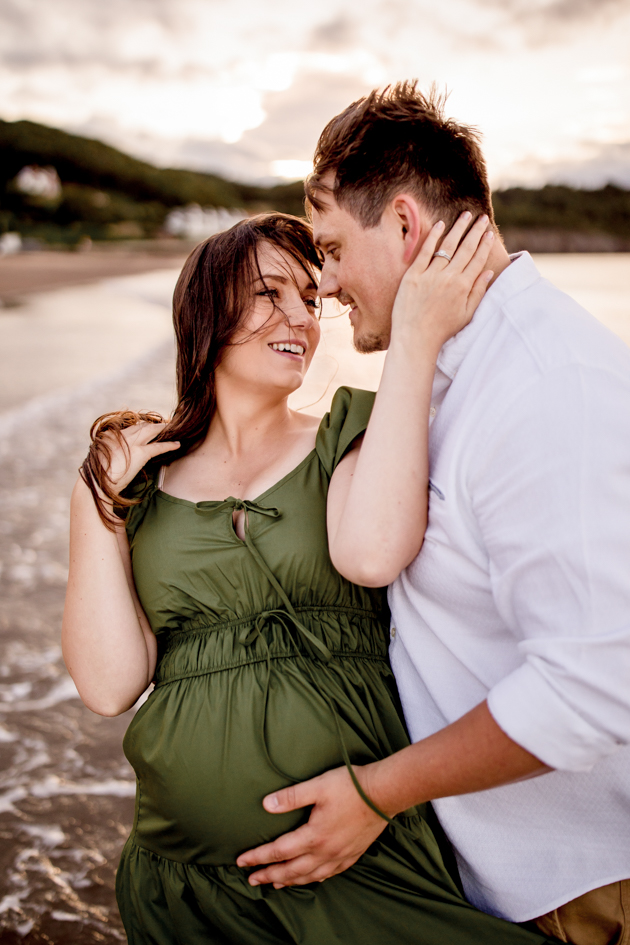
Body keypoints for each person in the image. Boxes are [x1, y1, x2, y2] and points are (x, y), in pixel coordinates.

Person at [62, 213, 556, 944]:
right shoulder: (142, 482)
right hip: (184, 879)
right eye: (268, 292)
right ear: (204, 309)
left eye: (309, 295)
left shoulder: (347, 430)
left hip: (355, 856)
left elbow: (374, 553)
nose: (300, 316)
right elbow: (109, 686)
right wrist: (94, 501)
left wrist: (415, 338)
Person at [236, 85, 630, 945]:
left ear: (407, 227)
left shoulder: (544, 386)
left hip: (580, 889)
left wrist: (380, 790)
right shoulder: (455, 372)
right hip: (502, 875)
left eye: (335, 248)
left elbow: (591, 688)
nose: (326, 281)